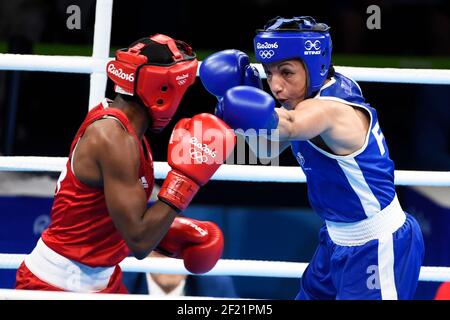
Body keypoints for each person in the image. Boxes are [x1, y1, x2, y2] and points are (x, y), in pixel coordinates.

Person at [199, 16, 424, 300]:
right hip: (334, 239)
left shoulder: (330, 111)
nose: (276, 86)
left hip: (376, 244)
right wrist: (246, 104)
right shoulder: (314, 94)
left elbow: (290, 124)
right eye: (269, 74)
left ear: (314, 67)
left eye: (286, 72)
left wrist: (240, 102)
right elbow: (268, 150)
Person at [14, 34, 236, 293]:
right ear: (163, 90)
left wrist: (170, 232)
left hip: (103, 280)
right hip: (57, 286)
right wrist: (185, 181)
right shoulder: (113, 138)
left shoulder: (127, 130)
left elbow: (119, 219)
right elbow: (139, 241)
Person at [123, 251, 238, 298]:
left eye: (180, 255)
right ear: (146, 253)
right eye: (161, 253)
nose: (170, 263)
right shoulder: (121, 283)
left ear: (193, 257)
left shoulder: (216, 287)